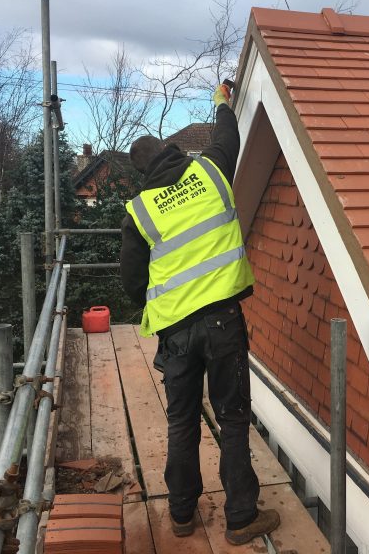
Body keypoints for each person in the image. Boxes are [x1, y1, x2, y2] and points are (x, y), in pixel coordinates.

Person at [120, 84, 280, 545]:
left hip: (176, 334)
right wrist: (221, 101)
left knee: (182, 421)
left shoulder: (140, 211)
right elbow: (227, 135)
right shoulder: (209, 171)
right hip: (223, 321)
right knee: (233, 418)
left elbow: (132, 284)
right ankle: (241, 518)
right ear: (171, 150)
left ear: (142, 173)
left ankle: (182, 515)